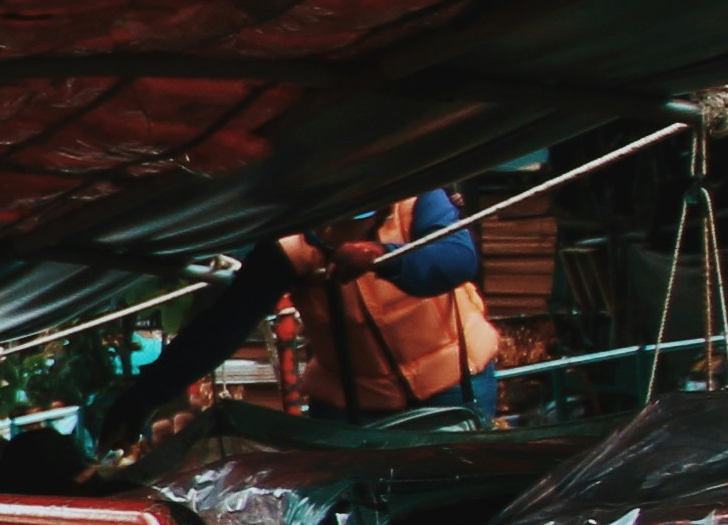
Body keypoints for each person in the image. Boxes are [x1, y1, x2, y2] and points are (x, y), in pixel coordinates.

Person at [93, 190, 500, 447]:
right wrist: (142, 399)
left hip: (455, 382)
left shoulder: (417, 201)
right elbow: (220, 329)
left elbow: (456, 260)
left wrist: (380, 257)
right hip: (355, 400)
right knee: (356, 511)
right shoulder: (291, 247)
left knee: (454, 491)